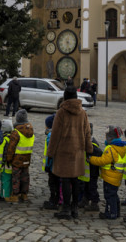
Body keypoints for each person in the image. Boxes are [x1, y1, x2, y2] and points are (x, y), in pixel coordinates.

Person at [48, 86, 93, 220]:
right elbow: (87, 133)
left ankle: (66, 208)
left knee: (66, 180)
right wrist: (89, 149)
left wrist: (50, 152)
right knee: (76, 179)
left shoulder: (61, 112)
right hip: (78, 151)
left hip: (64, 151)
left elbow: (55, 134)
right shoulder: (82, 112)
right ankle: (74, 208)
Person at [90, 125, 126, 220]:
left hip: (110, 176)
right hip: (116, 176)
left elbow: (103, 160)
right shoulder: (121, 147)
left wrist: (91, 159)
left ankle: (111, 213)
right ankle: (116, 211)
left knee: (109, 195)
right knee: (114, 194)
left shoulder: (110, 149)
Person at [4, 109, 34, 203]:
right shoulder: (31, 131)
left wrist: (8, 159)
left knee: (16, 178)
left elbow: (11, 148)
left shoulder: (16, 132)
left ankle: (15, 195)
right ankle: (24, 194)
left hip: (17, 160)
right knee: (25, 177)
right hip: (27, 158)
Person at [76, 124, 102, 213]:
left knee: (92, 187)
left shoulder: (93, 146)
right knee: (86, 186)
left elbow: (98, 155)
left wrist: (90, 158)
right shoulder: (85, 141)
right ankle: (85, 200)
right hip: (86, 171)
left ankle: (95, 203)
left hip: (92, 172)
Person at [42, 114, 61, 210]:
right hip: (57, 164)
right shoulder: (57, 133)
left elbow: (50, 152)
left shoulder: (51, 135)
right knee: (56, 182)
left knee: (53, 183)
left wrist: (48, 165)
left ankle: (53, 201)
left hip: (52, 164)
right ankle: (55, 199)